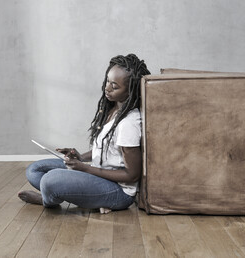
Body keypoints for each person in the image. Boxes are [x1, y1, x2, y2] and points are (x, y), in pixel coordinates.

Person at [18, 54, 150, 213]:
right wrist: (81, 158)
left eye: (114, 86)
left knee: (49, 180)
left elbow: (132, 175)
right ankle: (71, 195)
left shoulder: (128, 124)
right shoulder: (114, 108)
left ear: (130, 91)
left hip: (118, 192)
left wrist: (84, 169)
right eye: (107, 81)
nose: (107, 88)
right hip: (98, 174)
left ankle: (47, 199)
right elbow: (106, 151)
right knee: (35, 169)